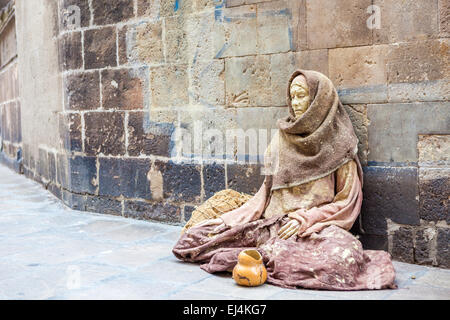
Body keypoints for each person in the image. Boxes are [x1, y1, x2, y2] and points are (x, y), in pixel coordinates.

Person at [172, 70, 396, 290]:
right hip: (272, 226)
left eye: (302, 95)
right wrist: (228, 221)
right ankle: (268, 254)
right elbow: (264, 194)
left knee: (343, 259)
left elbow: (346, 202)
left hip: (313, 231)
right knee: (193, 241)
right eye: (292, 96)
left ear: (319, 100)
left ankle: (263, 256)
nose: (295, 103)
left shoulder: (339, 145)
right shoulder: (280, 139)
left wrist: (305, 219)